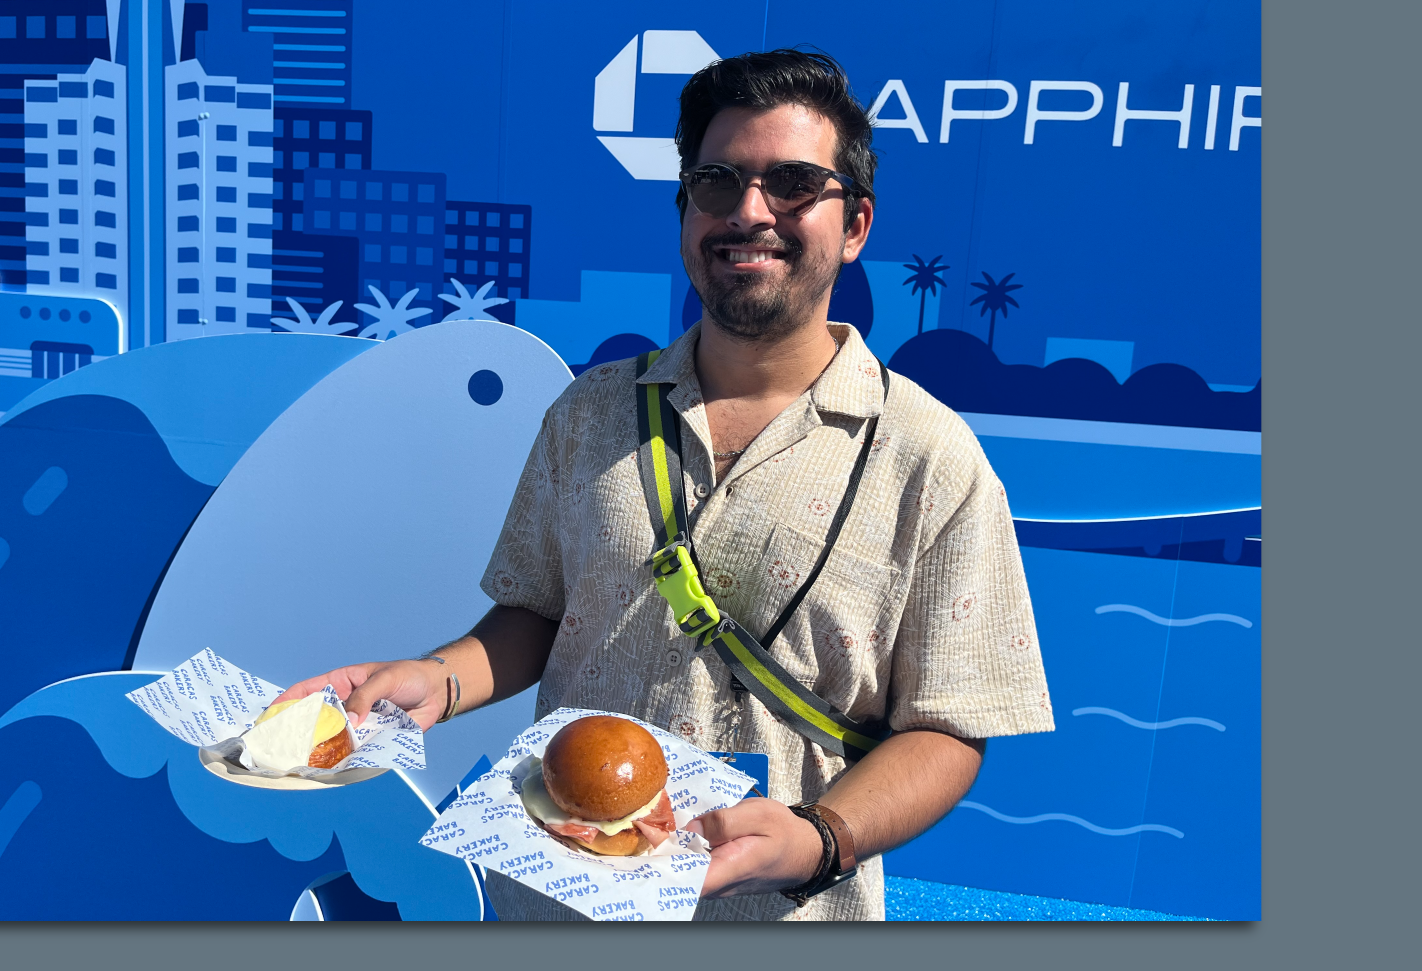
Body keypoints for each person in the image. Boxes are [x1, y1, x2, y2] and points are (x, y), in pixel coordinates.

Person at [279, 49, 1053, 921]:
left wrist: (819, 837)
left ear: (857, 224)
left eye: (794, 184)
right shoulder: (592, 410)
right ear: (685, 210)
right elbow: (540, 612)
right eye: (718, 182)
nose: (750, 211)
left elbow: (946, 728)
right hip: (555, 892)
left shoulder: (929, 455)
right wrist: (441, 680)